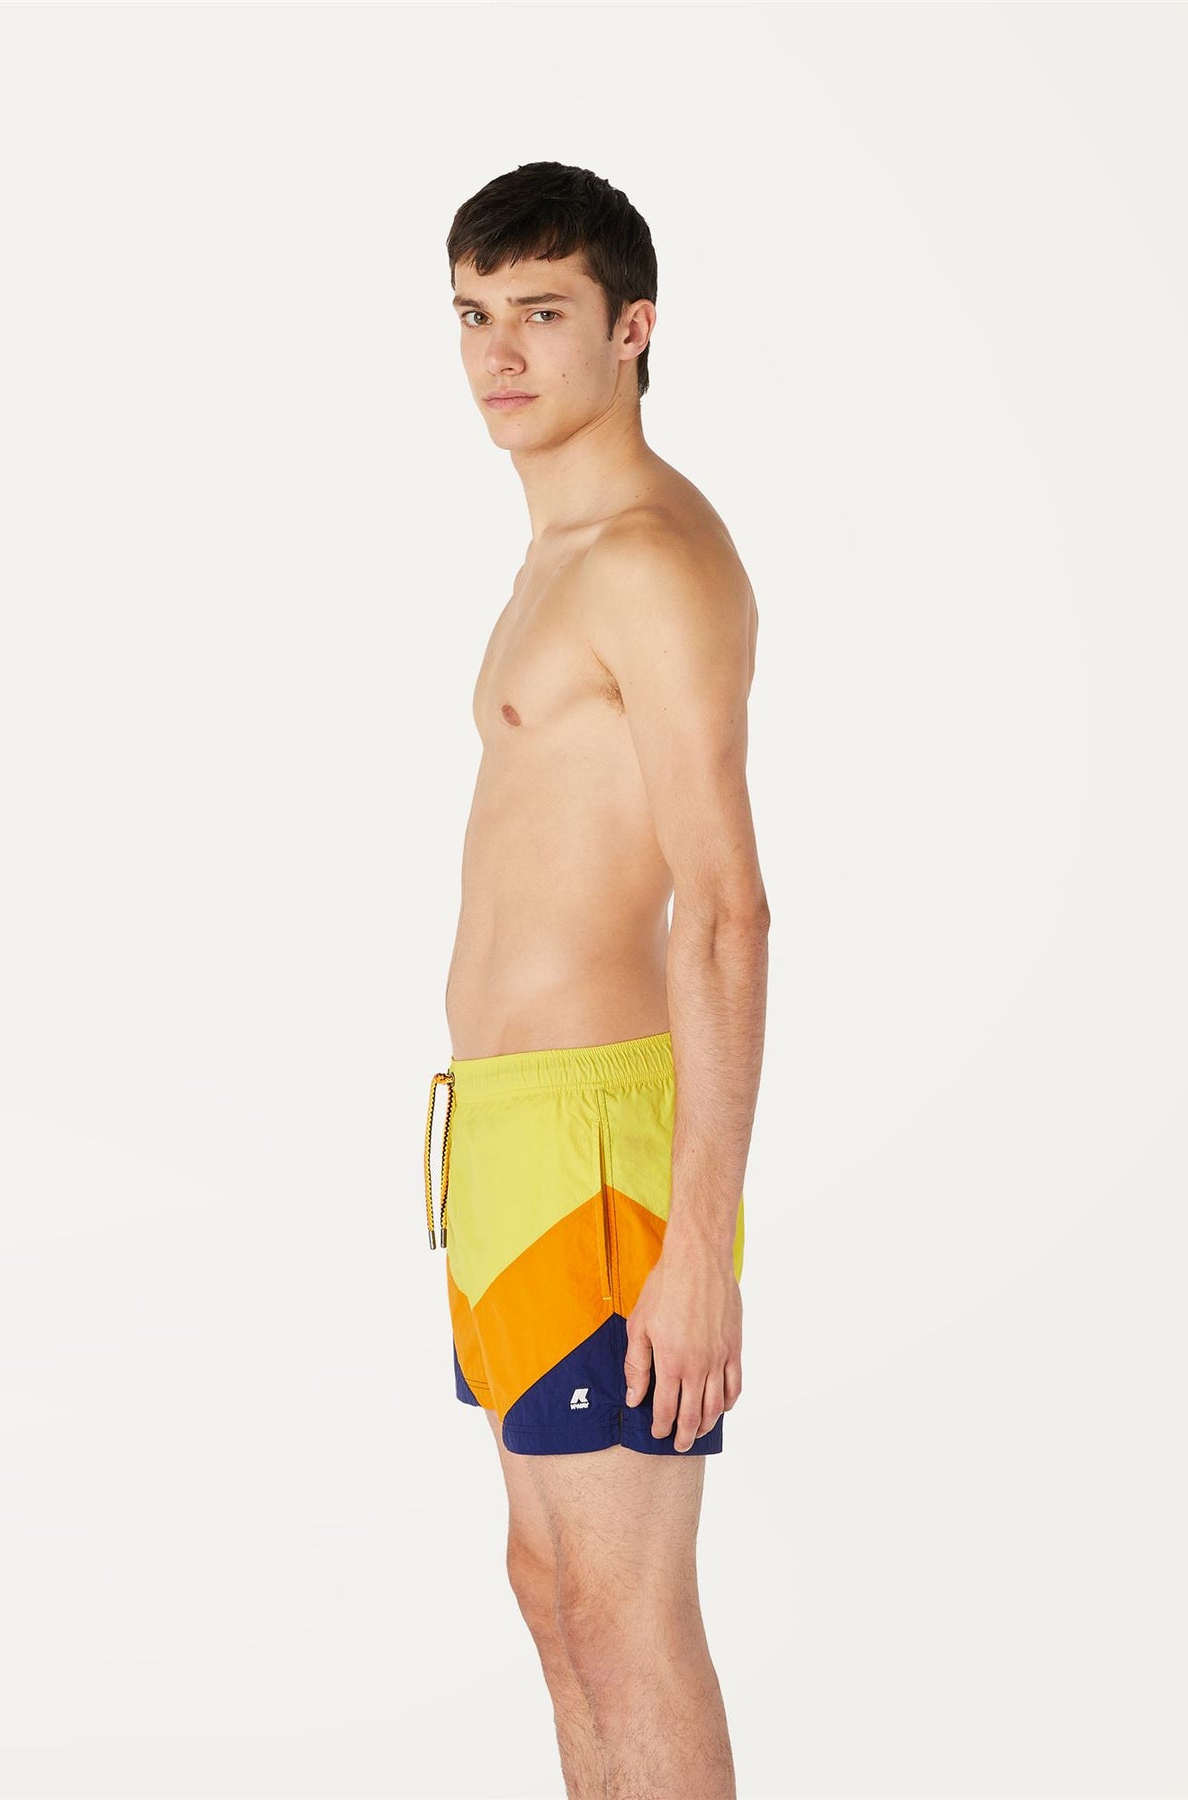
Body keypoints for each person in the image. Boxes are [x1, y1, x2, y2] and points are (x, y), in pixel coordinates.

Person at [423, 161, 769, 1800]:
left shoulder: (648, 561)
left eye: (541, 314)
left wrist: (699, 1240)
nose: (497, 354)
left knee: (626, 1615)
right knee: (554, 1593)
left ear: (632, 330)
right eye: (473, 315)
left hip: (606, 1158)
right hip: (506, 1138)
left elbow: (729, 911)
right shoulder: (550, 559)